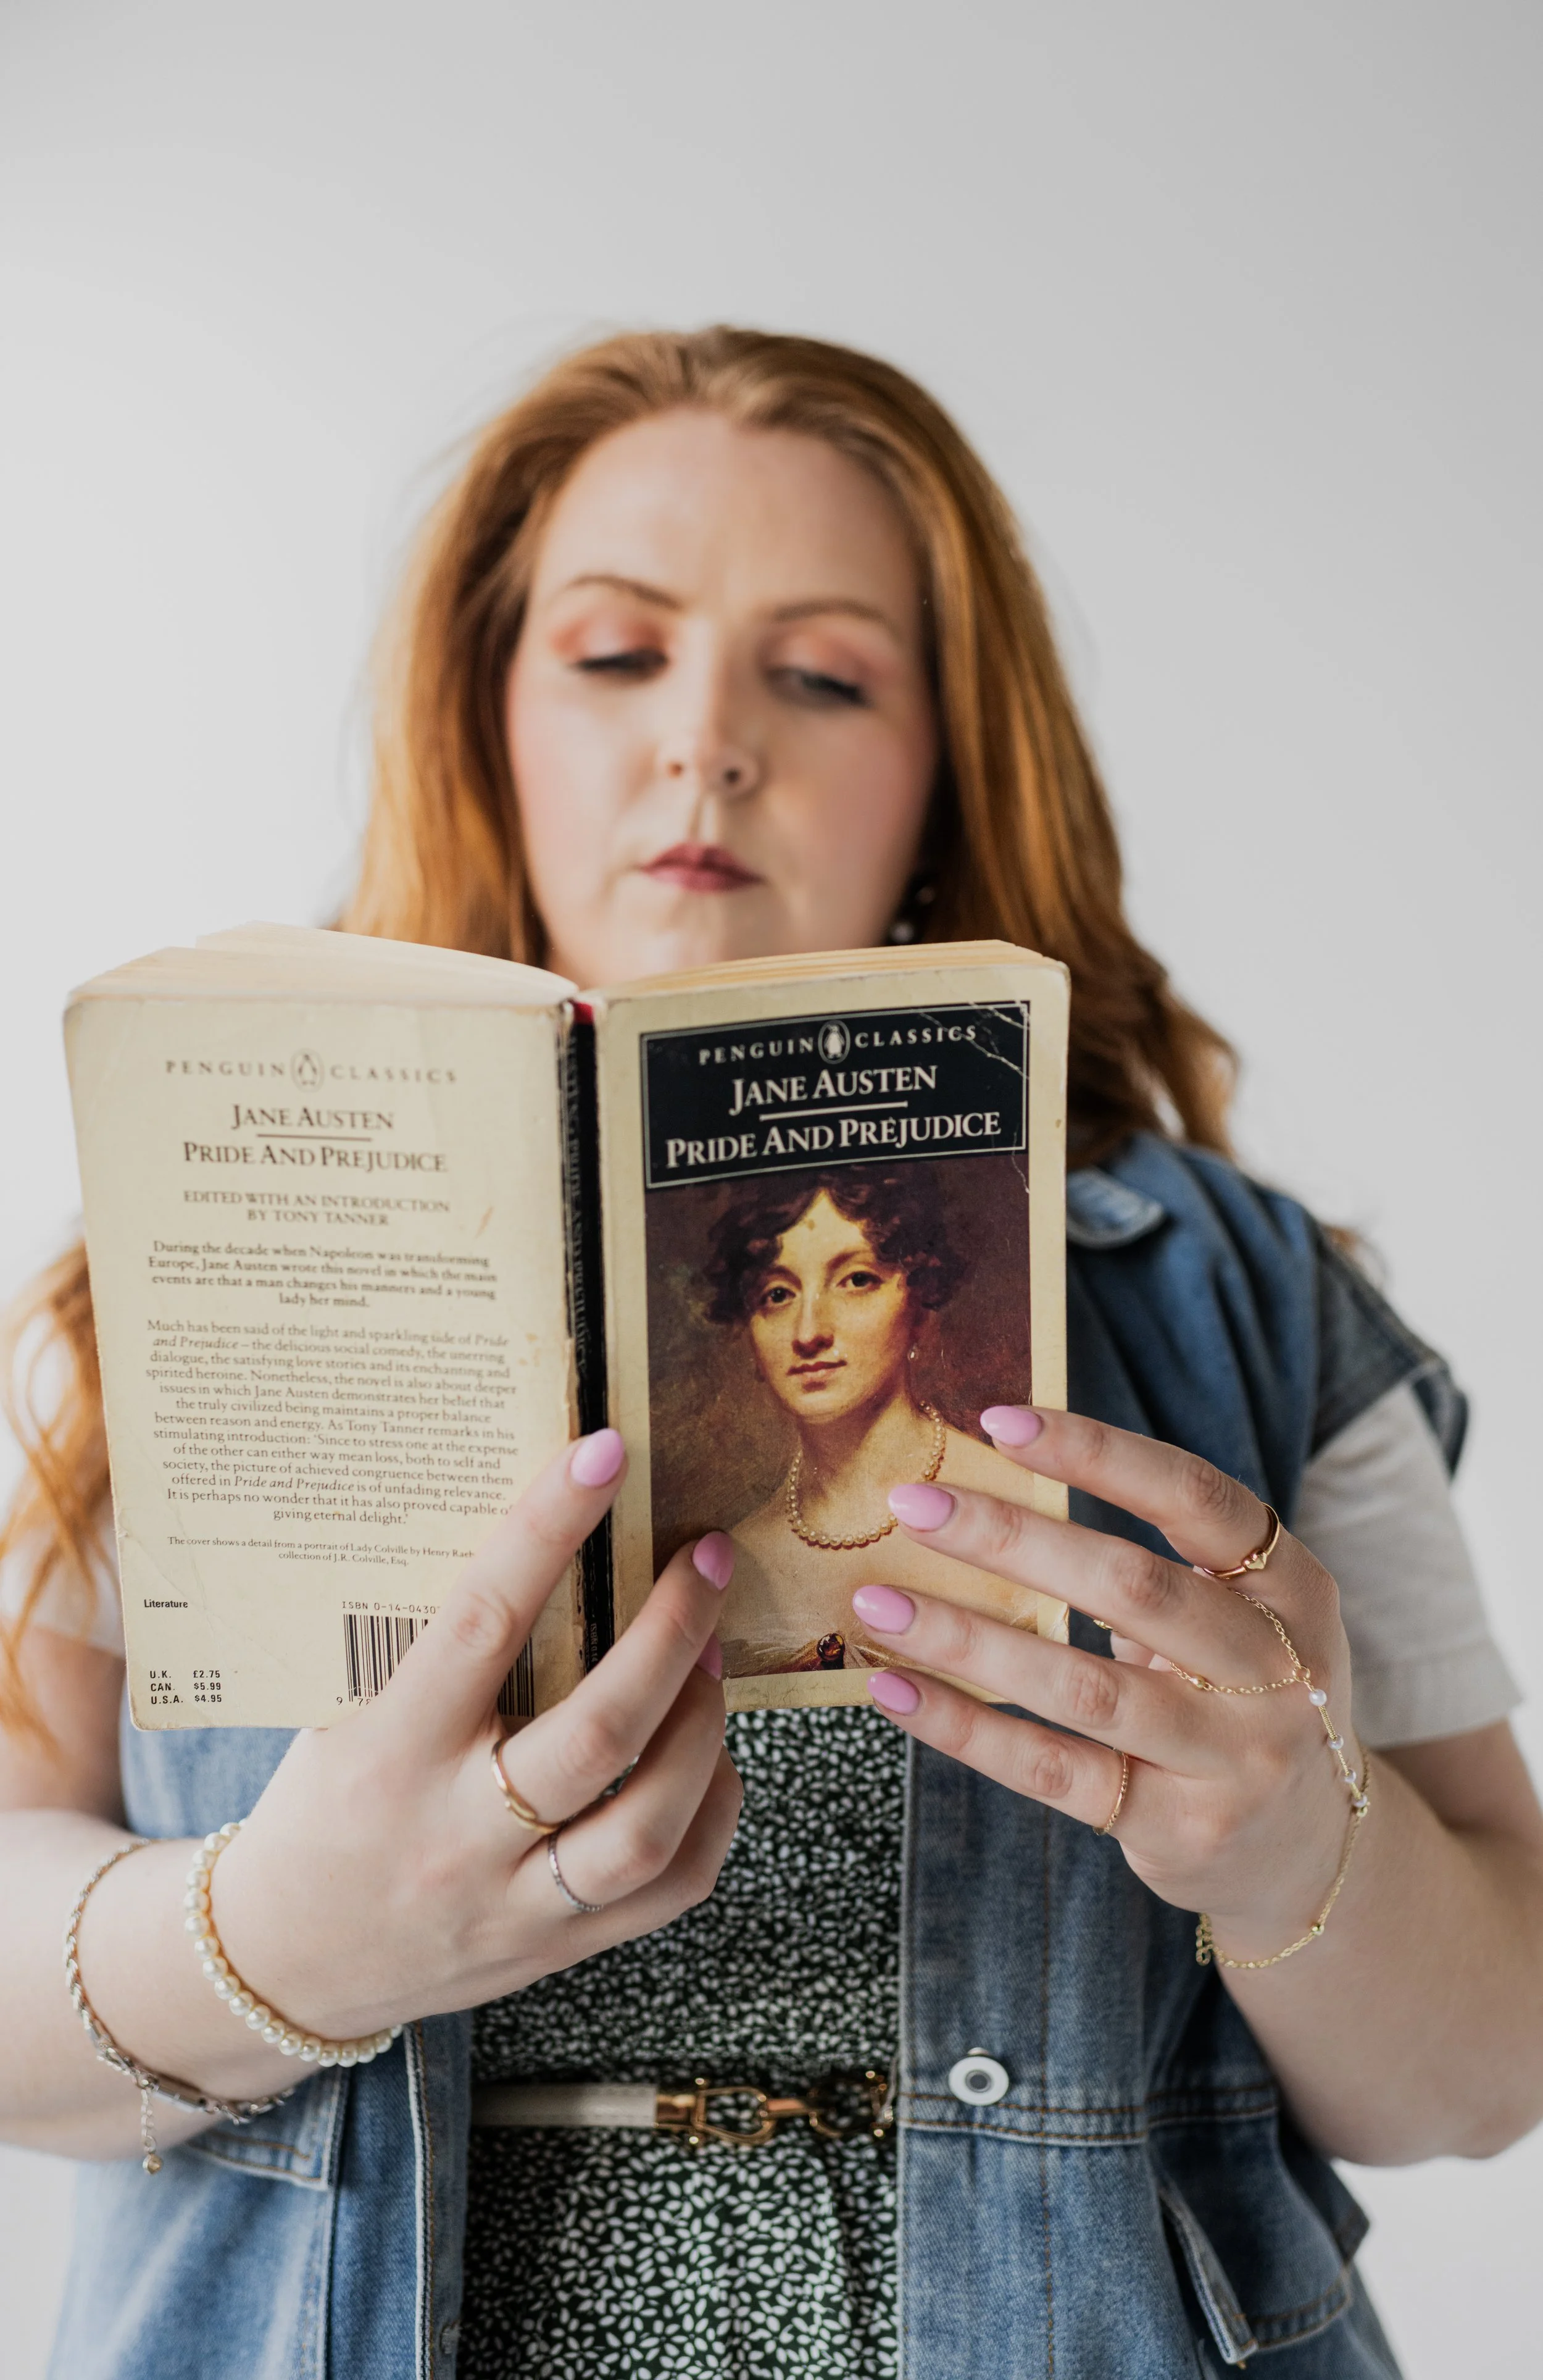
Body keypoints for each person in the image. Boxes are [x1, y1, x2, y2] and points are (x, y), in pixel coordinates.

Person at [2, 326, 1540, 2380]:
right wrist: (284, 1939)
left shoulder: (1245, 1303)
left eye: (822, 675)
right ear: (491, 721)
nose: (707, 742)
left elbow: (1483, 2070)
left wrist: (1304, 1850)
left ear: (945, 774)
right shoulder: (177, 1277)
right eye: (616, 654)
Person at [701, 1164, 1052, 1673]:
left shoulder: (1022, 1511)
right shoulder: (734, 1569)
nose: (808, 1332)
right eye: (778, 1293)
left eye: (855, 1280)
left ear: (920, 1304)